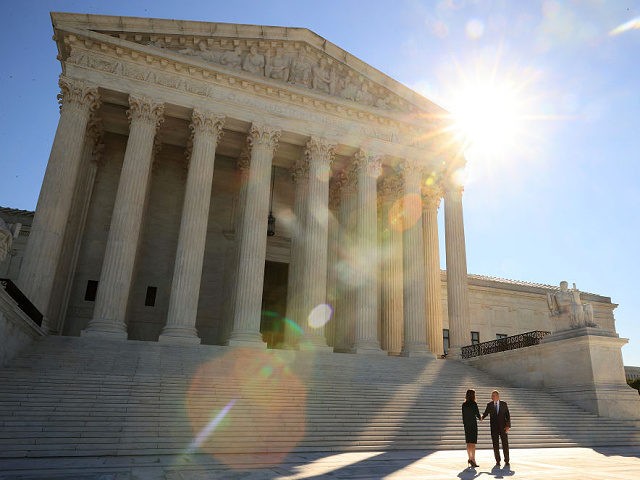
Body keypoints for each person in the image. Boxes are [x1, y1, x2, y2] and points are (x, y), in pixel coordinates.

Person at [482, 390, 511, 466]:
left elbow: (507, 416)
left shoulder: (504, 404)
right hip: (494, 428)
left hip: (503, 428)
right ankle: (497, 460)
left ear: (498, 396)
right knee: (495, 445)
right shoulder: (489, 405)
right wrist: (481, 417)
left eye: (494, 395)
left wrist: (508, 426)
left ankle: (507, 460)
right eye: (492, 395)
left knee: (505, 444)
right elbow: (485, 413)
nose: (492, 397)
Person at [461, 389, 481, 468]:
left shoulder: (464, 404)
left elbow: (463, 416)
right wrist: (481, 417)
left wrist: (465, 424)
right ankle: (473, 459)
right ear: (473, 395)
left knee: (468, 442)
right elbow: (478, 415)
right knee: (473, 443)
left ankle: (469, 458)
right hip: (473, 425)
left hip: (466, 425)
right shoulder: (474, 404)